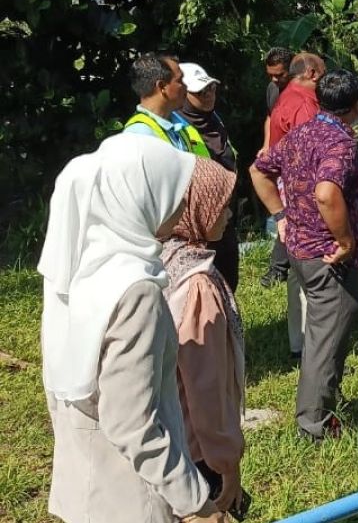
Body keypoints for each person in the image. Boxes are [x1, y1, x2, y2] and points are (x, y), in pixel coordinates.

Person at [39, 134, 225, 523]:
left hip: (83, 486)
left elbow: (62, 386)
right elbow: (132, 424)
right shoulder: (135, 291)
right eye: (171, 192)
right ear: (140, 198)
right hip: (131, 499)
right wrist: (196, 504)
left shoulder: (71, 269)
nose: (177, 206)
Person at [251, 70, 358, 441]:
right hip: (328, 256)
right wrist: (346, 240)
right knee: (324, 338)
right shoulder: (341, 142)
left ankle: (326, 401)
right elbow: (326, 193)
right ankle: (313, 423)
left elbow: (258, 169)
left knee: (326, 333)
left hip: (301, 248)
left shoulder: (299, 134)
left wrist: (281, 215)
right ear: (355, 106)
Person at [161, 158, 246, 517]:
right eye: (219, 203)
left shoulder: (165, 256)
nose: (227, 213)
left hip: (173, 433)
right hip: (199, 450)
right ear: (195, 207)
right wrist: (227, 463)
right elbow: (205, 388)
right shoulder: (197, 286)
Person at [265, 52, 327, 354]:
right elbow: (310, 155)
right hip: (303, 190)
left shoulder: (286, 96)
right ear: (313, 73)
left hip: (287, 186)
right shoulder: (304, 104)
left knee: (296, 266)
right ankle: (309, 344)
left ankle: (299, 342)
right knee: (310, 263)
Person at [178, 62, 241, 291]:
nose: (208, 95)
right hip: (197, 226)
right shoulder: (177, 128)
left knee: (228, 280)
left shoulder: (215, 120)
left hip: (224, 216)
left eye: (211, 88)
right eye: (200, 92)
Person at [123, 53, 210, 157]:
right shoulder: (139, 135)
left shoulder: (180, 124)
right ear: (162, 86)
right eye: (180, 80)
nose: (185, 85)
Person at [260, 48, 296, 289]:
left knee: (290, 212)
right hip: (279, 161)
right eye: (270, 75)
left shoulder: (304, 93)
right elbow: (270, 118)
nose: (274, 80)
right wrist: (266, 146)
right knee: (284, 212)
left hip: (298, 163)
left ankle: (279, 267)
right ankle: (279, 267)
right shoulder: (273, 90)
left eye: (279, 75)